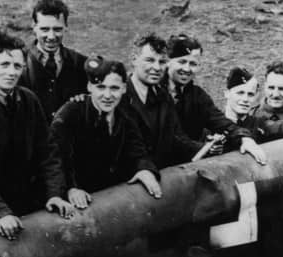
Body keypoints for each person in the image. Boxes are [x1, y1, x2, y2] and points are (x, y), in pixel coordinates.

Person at [0, 31, 74, 241]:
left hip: (22, 207)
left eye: (17, 66)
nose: (11, 72)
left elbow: (47, 153)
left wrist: (54, 193)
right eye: (5, 64)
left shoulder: (28, 100)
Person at [51, 56, 162, 210]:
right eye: (101, 87)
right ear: (90, 87)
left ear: (124, 88)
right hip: (80, 201)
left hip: (111, 199)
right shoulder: (71, 113)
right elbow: (57, 159)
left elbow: (137, 149)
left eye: (114, 88)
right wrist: (71, 188)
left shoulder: (125, 114)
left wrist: (144, 169)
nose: (108, 96)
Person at [163, 34, 254, 158]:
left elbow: (220, 121)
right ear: (168, 61)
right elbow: (170, 136)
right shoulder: (153, 93)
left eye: (193, 64)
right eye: (182, 61)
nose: (187, 69)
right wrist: (203, 148)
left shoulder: (197, 95)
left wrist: (244, 137)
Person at [123, 33, 202, 168]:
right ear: (134, 59)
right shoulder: (118, 95)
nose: (157, 68)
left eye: (162, 62)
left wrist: (205, 148)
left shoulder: (163, 96)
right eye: (150, 60)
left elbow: (177, 137)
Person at [19, 0, 87, 122]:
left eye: (57, 29)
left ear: (66, 26)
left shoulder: (80, 63)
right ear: (34, 27)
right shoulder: (19, 63)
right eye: (45, 29)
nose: (51, 36)